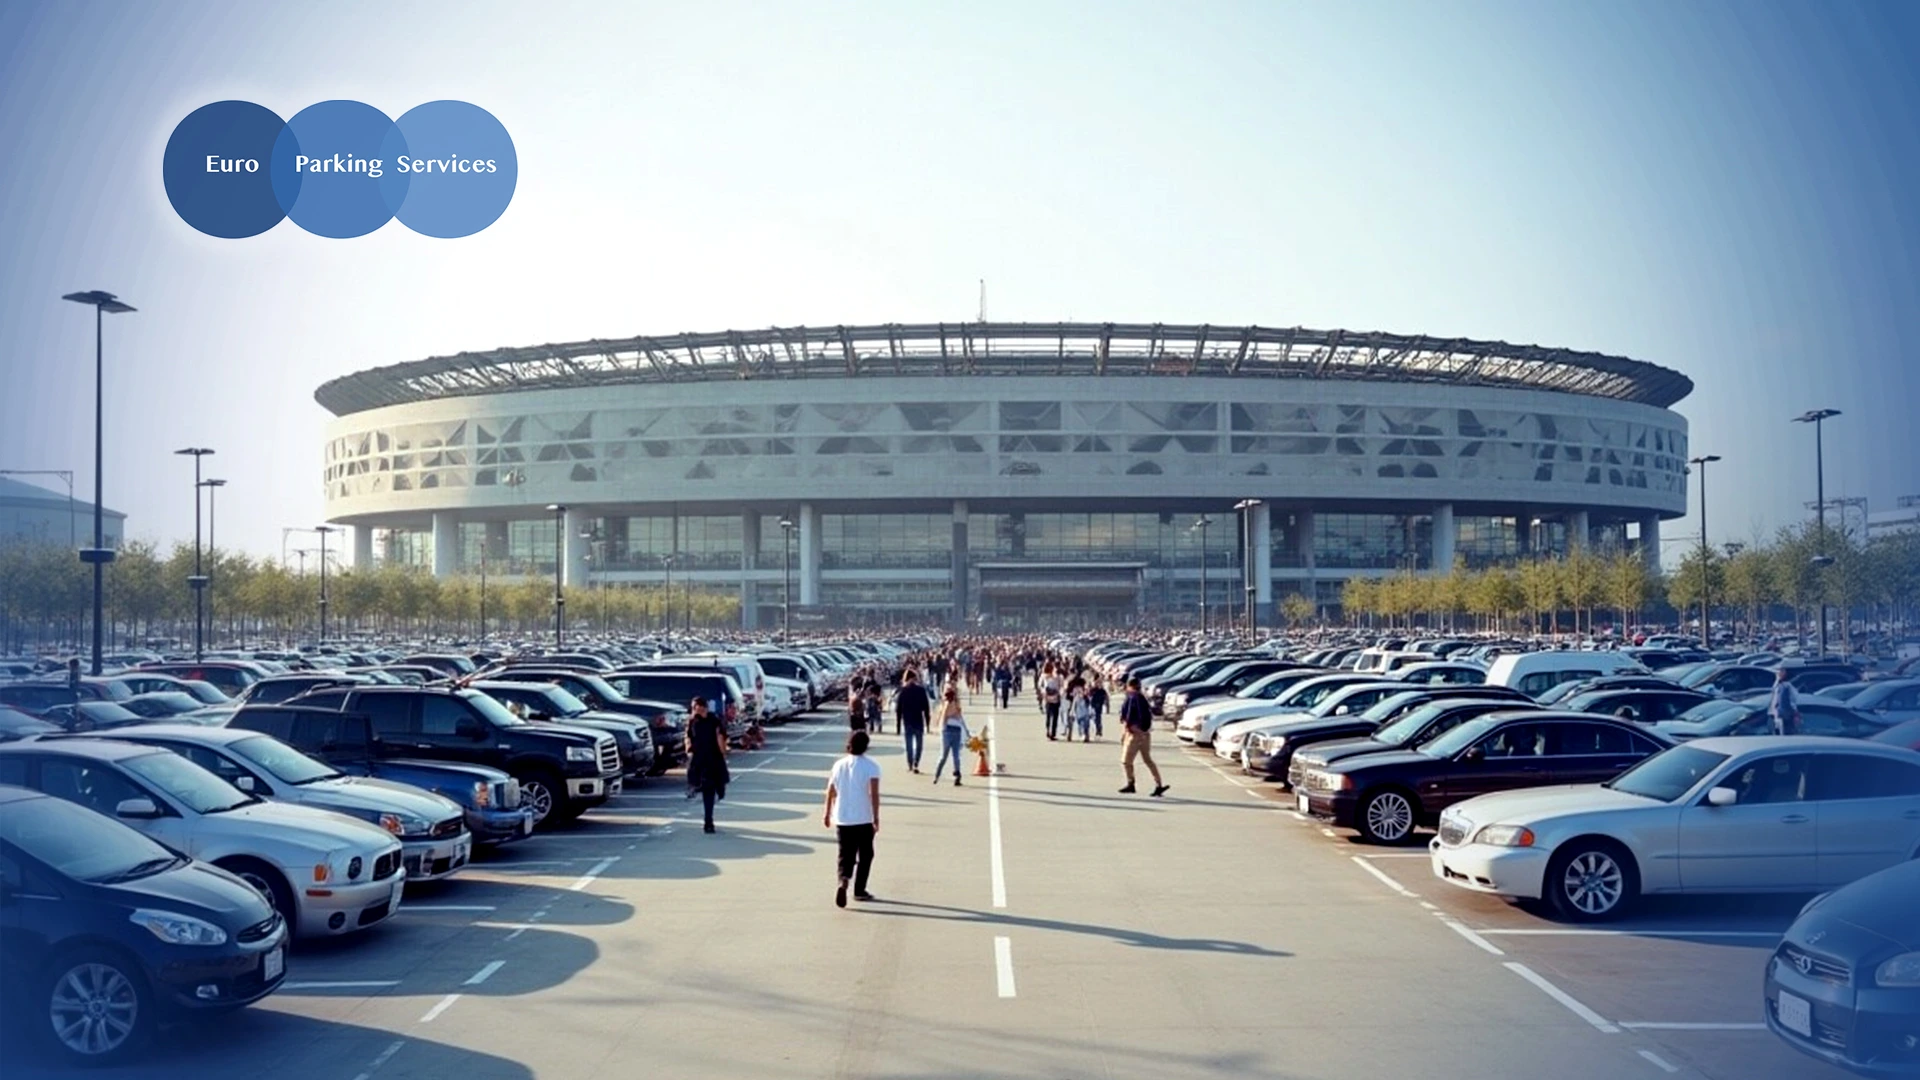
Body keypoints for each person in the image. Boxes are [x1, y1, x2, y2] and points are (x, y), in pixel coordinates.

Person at [823, 730, 882, 907]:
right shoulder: (871, 766)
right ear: (866, 746)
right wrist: (876, 817)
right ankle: (859, 890)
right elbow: (874, 794)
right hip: (863, 817)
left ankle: (843, 880)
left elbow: (831, 790)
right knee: (866, 854)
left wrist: (827, 813)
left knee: (845, 854)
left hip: (842, 817)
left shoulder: (838, 765)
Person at [684, 697, 730, 833]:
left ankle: (718, 791)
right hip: (699, 760)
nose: (694, 711)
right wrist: (688, 750)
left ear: (704, 708)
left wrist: (723, 753)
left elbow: (721, 738)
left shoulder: (714, 721)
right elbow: (687, 737)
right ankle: (708, 821)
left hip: (713, 758)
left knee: (716, 788)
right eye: (693, 708)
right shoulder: (692, 721)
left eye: (697, 708)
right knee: (707, 790)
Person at [1117, 677, 1168, 796]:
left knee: (1126, 761)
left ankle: (1131, 783)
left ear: (1129, 686)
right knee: (1147, 759)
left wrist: (1131, 731)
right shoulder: (1142, 698)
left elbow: (1128, 717)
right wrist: (1144, 730)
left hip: (1135, 734)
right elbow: (1146, 716)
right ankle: (1158, 784)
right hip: (1144, 734)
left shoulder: (1132, 697)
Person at [895, 669, 931, 773]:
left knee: (909, 745)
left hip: (907, 721)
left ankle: (910, 764)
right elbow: (926, 707)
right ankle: (916, 762)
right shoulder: (921, 690)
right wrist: (927, 722)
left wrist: (898, 726)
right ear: (914, 678)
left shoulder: (903, 691)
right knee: (919, 744)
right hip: (918, 719)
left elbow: (898, 709)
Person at [931, 684, 969, 786]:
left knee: (943, 755)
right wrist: (966, 731)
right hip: (956, 730)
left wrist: (941, 729)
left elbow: (943, 718)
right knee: (956, 755)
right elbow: (960, 718)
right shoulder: (956, 705)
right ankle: (957, 775)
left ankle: (937, 775)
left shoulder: (946, 704)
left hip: (947, 730)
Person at [1770, 667, 1801, 735]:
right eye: (1777, 673)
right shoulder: (1777, 686)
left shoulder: (1787, 686)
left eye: (1780, 673)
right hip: (1777, 715)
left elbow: (1793, 700)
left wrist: (1794, 712)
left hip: (1784, 715)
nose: (1778, 675)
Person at [1040, 665, 1064, 740]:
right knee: (1050, 716)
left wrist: (1059, 694)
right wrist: (1044, 692)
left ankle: (1052, 733)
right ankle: (1049, 731)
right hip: (1049, 698)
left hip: (1054, 698)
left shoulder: (1059, 677)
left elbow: (1061, 687)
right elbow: (1040, 685)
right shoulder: (1045, 677)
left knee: (1054, 716)